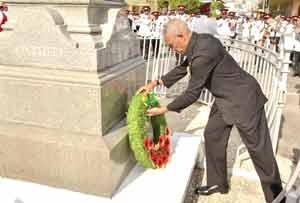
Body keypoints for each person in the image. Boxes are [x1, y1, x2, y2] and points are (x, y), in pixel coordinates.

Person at [138, 19, 285, 203]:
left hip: (244, 98)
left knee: (259, 150)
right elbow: (183, 68)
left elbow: (192, 93)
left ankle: (277, 198)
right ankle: (218, 183)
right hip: (224, 99)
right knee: (213, 134)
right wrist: (157, 82)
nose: (170, 49)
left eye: (170, 44)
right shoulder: (198, 42)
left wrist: (165, 109)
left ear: (181, 36)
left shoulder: (203, 52)